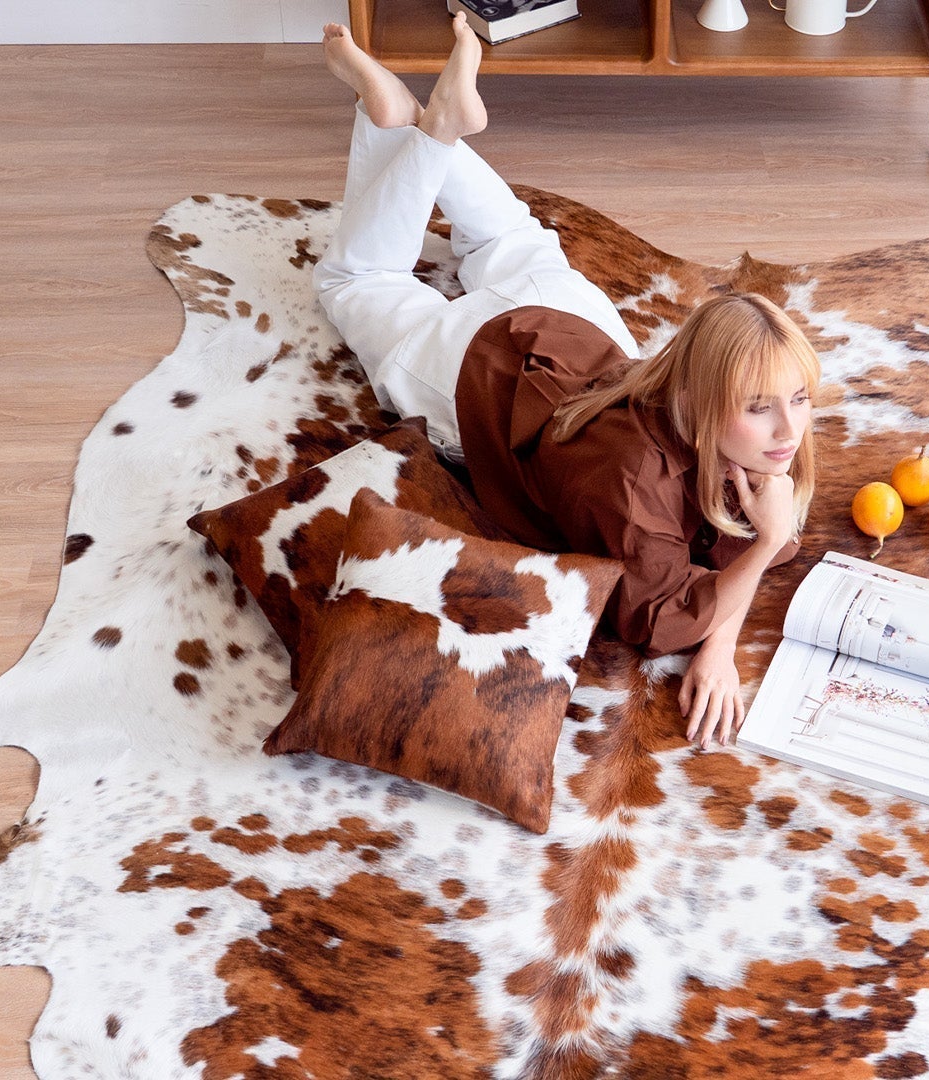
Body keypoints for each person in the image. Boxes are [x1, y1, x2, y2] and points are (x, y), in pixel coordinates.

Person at [313, 15, 819, 750]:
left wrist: (721, 643)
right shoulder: (633, 487)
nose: (790, 431)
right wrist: (766, 544)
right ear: (705, 400)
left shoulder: (721, 395)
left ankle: (409, 122)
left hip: (572, 322)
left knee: (512, 238)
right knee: (354, 280)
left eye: (798, 399)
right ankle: (420, 131)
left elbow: (717, 594)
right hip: (485, 367)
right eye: (761, 409)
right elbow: (660, 623)